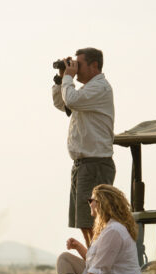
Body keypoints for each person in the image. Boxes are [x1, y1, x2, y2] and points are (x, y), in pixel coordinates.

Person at [52, 47, 115, 247]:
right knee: (84, 222)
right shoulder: (86, 91)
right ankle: (93, 257)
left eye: (79, 64)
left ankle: (97, 259)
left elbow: (71, 100)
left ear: (94, 65)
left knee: (94, 221)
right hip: (83, 164)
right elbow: (62, 103)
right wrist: (61, 79)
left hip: (95, 164)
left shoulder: (100, 88)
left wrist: (68, 78)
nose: (75, 69)